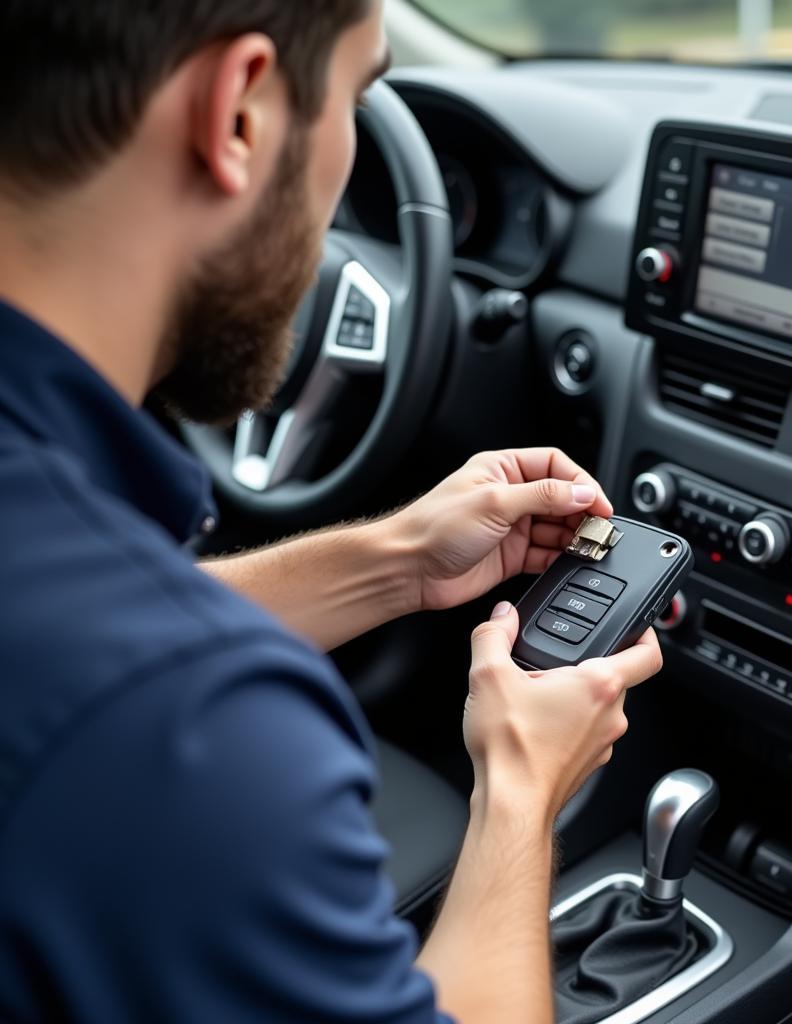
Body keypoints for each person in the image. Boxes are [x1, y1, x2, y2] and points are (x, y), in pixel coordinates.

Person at [0, 2, 663, 1021]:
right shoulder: (194, 738)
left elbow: (72, 638)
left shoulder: (81, 613)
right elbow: (124, 679)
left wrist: (396, 560)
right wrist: (523, 788)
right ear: (239, 113)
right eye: (356, 95)